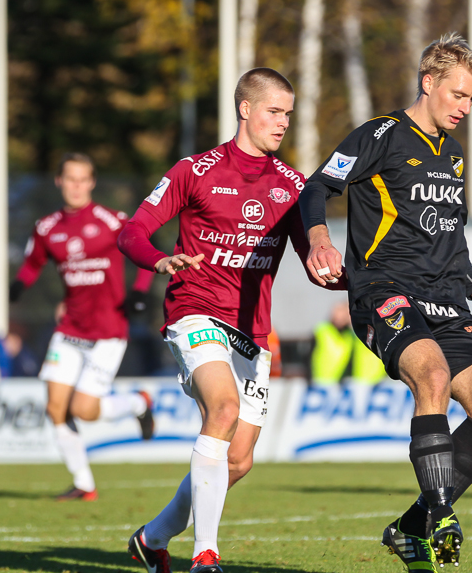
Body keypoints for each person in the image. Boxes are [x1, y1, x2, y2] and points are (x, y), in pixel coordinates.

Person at [299, 32, 472, 571]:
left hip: (447, 297)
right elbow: (316, 187)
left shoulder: (455, 155)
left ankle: (410, 528)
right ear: (428, 82)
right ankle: (441, 514)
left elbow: (452, 240)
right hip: (383, 289)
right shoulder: (382, 135)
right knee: (432, 377)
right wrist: (321, 240)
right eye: (458, 95)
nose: (465, 108)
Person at [119, 67, 341, 573]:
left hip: (252, 334)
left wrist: (349, 277)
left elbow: (313, 262)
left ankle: (152, 538)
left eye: (289, 113)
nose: (283, 122)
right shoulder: (194, 170)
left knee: (237, 459)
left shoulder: (292, 186)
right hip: (193, 310)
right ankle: (205, 557)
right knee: (222, 408)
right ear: (245, 109)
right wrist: (158, 260)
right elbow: (133, 230)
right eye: (274, 111)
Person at [11, 153, 156, 501]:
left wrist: (138, 294)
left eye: (83, 179)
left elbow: (145, 253)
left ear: (91, 183)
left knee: (83, 410)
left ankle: (138, 403)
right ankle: (84, 484)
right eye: (69, 179)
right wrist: (18, 285)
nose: (76, 186)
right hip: (70, 329)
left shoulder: (111, 221)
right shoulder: (47, 227)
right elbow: (33, 263)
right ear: (59, 182)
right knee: (55, 408)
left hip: (108, 331)